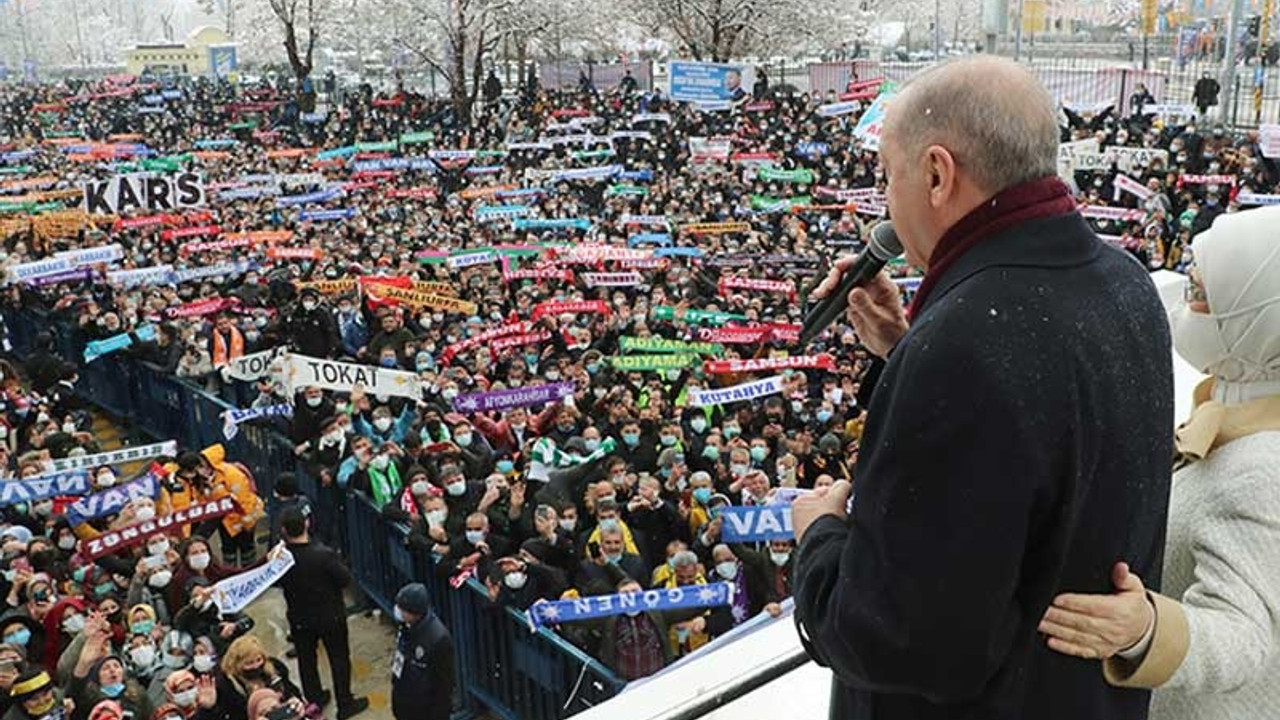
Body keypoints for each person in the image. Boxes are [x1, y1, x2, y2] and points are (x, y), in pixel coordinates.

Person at [792, 56, 1174, 720]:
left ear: (938, 174)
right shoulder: (1125, 281)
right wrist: (905, 346)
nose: (886, 202)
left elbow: (907, 640)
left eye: (889, 177)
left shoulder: (963, 346)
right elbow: (1029, 445)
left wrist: (818, 538)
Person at [1036, 208, 1280, 719]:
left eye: (1203, 294)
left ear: (1258, 315)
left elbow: (1244, 636)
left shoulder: (1263, 467)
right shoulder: (1236, 411)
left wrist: (1145, 630)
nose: (1187, 306)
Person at [275, 508, 367, 719]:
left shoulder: (282, 560)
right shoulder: (324, 555)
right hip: (330, 616)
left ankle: (314, 699)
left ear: (283, 530)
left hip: (300, 618)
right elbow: (344, 579)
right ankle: (345, 702)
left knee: (307, 660)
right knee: (339, 659)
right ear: (306, 523)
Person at [389, 584, 453, 720]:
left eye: (402, 609)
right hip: (403, 697)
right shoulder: (406, 626)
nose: (398, 611)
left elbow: (443, 686)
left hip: (423, 708)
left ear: (414, 612)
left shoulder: (438, 639)